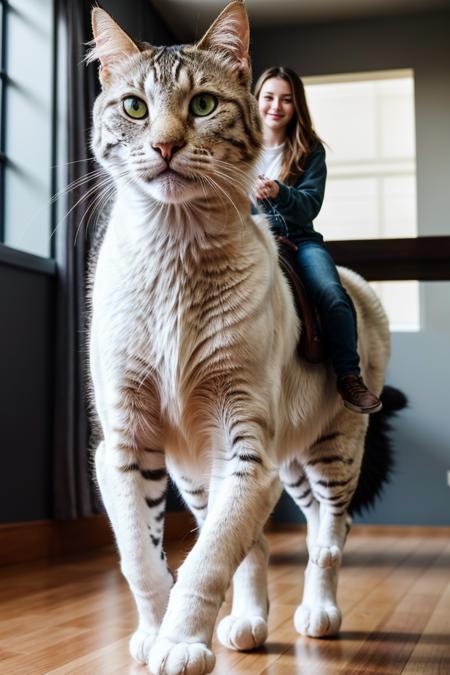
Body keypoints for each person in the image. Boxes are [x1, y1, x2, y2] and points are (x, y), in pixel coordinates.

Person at [253, 66, 382, 414]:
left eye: (286, 99)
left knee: (332, 294)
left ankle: (349, 378)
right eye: (268, 98)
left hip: (299, 239)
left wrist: (278, 192)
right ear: (256, 100)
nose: (275, 107)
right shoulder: (238, 145)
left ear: (297, 106)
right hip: (251, 238)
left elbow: (309, 206)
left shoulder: (310, 150)